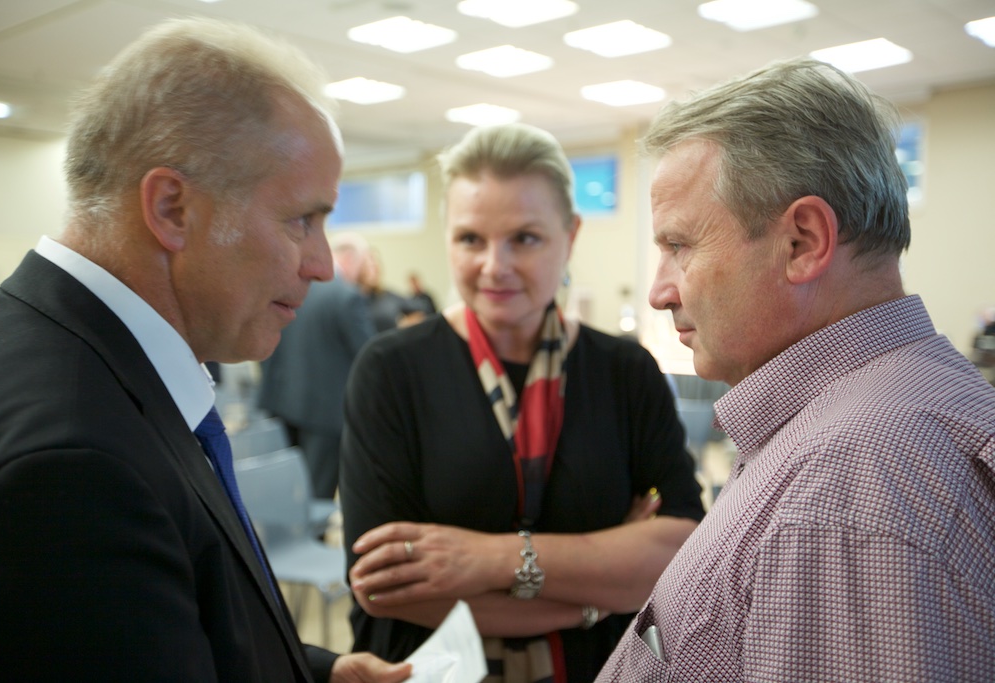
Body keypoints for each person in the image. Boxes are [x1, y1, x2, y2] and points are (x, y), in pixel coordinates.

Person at [0, 18, 410, 683]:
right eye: (301, 220)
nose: (323, 265)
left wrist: (314, 673)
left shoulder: (52, 349)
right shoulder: (74, 469)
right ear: (173, 208)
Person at [597, 57, 995, 682]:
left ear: (803, 242)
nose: (659, 292)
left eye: (679, 246)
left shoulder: (847, 484)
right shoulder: (905, 408)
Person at [340, 122, 705, 683]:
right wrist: (596, 596)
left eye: (524, 239)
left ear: (570, 235)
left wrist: (487, 559)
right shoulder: (391, 370)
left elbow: (680, 549)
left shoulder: (625, 372)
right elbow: (385, 586)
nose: (495, 265)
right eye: (470, 239)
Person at [258, 236, 376, 499]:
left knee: (288, 493)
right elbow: (370, 357)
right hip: (326, 415)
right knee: (316, 498)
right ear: (349, 259)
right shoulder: (346, 296)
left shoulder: (292, 289)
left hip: (284, 404)